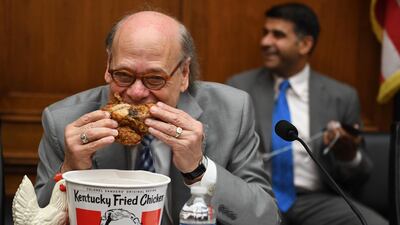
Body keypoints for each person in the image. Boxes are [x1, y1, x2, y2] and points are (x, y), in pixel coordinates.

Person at [34, 10, 280, 225]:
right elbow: (33, 220)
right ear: (108, 66)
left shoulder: (233, 111)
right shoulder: (63, 120)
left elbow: (265, 218)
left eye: (154, 79)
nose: (136, 92)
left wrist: (199, 169)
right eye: (123, 75)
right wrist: (70, 170)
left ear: (184, 74)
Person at [227, 2, 388, 225]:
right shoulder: (239, 87)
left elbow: (359, 175)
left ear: (304, 44)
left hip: (316, 200)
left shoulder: (341, 96)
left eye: (278, 35)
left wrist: (348, 155)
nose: (265, 42)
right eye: (265, 33)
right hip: (258, 196)